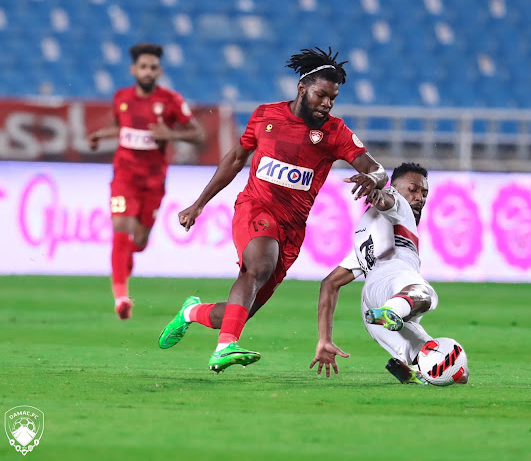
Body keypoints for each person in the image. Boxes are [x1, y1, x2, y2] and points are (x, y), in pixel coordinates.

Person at [158, 47, 388, 373]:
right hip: (255, 207)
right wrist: (199, 204)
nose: (327, 104)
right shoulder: (266, 116)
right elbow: (236, 159)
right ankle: (225, 348)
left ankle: (190, 313)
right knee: (258, 266)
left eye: (332, 99)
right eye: (321, 95)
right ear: (302, 88)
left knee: (240, 311)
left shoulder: (335, 133)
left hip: (292, 230)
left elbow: (377, 168)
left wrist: (373, 178)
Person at [310, 162, 467, 385]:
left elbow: (329, 284)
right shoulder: (398, 204)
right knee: (426, 295)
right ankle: (393, 310)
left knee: (454, 370)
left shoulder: (365, 234)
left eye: (424, 193)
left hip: (371, 301)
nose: (419, 198)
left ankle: (418, 369)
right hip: (397, 279)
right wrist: (376, 190)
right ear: (395, 188)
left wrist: (324, 339)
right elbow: (386, 200)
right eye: (413, 189)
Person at [87, 43, 205, 320]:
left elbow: (197, 134)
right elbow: (122, 126)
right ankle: (121, 298)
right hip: (124, 176)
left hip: (153, 181)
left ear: (159, 70)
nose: (148, 71)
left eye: (153, 67)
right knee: (120, 229)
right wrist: (100, 135)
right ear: (133, 70)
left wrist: (170, 135)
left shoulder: (171, 101)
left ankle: (127, 260)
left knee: (138, 242)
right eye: (143, 67)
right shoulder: (122, 97)